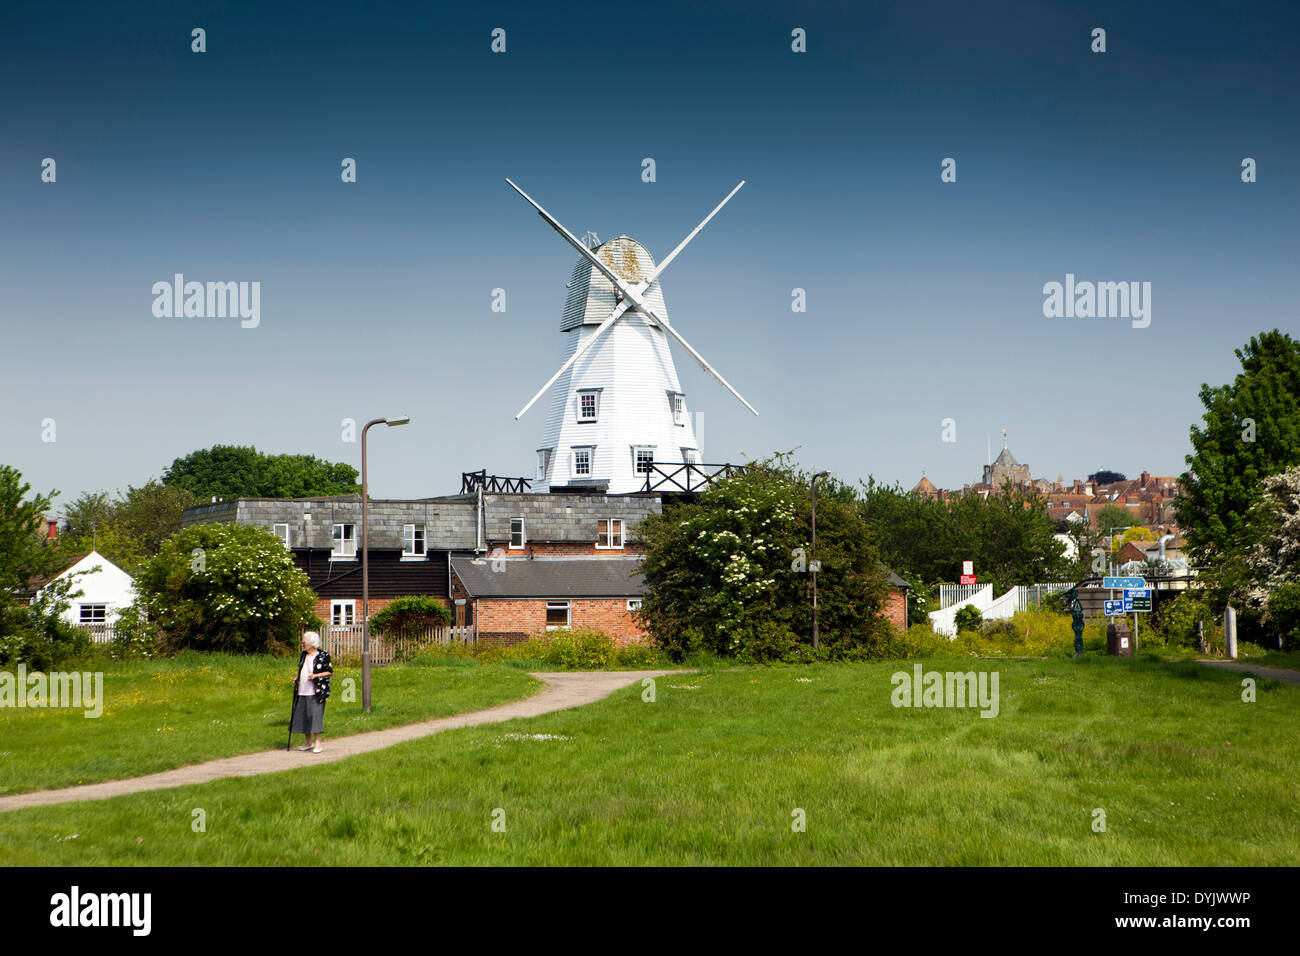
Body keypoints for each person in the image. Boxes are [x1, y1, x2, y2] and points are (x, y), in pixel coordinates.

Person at [290, 631, 332, 753]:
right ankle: (308, 742)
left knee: (315, 717)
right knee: (304, 717)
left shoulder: (323, 655)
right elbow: (302, 669)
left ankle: (318, 743)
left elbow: (329, 672)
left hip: (316, 692)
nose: (303, 643)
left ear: (312, 643)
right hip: (302, 691)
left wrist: (315, 676)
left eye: (305, 641)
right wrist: (297, 678)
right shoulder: (303, 655)